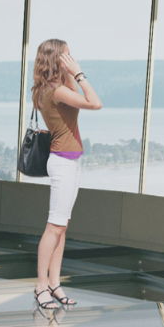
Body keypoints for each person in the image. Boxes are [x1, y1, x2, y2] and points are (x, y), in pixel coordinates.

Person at [30, 39, 102, 310]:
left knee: (62, 227)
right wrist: (79, 73)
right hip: (62, 162)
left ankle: (54, 283)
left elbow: (80, 100)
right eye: (68, 56)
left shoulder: (52, 88)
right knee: (54, 226)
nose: (72, 58)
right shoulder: (55, 91)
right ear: (56, 59)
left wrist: (70, 74)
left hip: (70, 162)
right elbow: (94, 103)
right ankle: (41, 286)